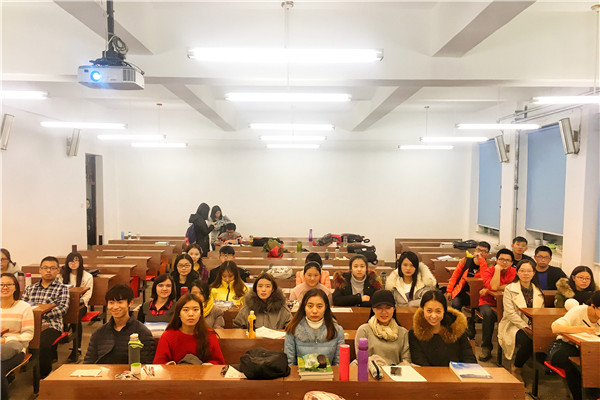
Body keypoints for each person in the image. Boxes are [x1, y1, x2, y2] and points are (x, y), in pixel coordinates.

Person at [21, 256, 69, 379]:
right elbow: (23, 306)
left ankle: (44, 375)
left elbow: (63, 308)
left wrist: (41, 314)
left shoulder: (62, 289)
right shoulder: (30, 288)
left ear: (58, 270)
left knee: (42, 343)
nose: (48, 271)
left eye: (52, 268)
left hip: (52, 325)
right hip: (30, 323)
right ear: (40, 270)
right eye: (45, 268)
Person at [497, 260, 545, 381]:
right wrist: (525, 326)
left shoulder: (538, 290)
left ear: (534, 273)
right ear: (517, 272)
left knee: (544, 338)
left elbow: (541, 311)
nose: (526, 274)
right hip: (513, 324)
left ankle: (541, 365)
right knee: (528, 341)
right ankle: (517, 367)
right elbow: (510, 313)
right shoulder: (510, 289)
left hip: (534, 324)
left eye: (529, 271)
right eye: (522, 271)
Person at [84, 284, 155, 364]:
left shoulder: (143, 333)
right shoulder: (99, 333)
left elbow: (146, 365)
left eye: (120, 302)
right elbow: (88, 364)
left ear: (130, 303)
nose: (115, 307)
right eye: (111, 302)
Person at [549, 290, 600, 400]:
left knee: (593, 365)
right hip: (561, 347)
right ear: (593, 306)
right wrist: (582, 329)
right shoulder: (579, 311)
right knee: (573, 364)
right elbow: (555, 328)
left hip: (588, 351)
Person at [408, 290, 477, 366]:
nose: (433, 316)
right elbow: (420, 362)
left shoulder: (456, 330)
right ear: (422, 310)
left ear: (444, 310)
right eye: (429, 311)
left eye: (438, 311)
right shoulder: (415, 334)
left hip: (456, 372)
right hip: (427, 373)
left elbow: (469, 358)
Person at [153, 293, 225, 365]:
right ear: (179, 313)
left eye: (195, 310)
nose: (191, 314)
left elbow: (220, 363)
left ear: (201, 313)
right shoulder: (168, 336)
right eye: (185, 310)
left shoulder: (209, 335)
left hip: (203, 372)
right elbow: (158, 363)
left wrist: (208, 365)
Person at [284, 288, 345, 366]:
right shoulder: (293, 329)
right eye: (310, 306)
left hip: (329, 373)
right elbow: (290, 363)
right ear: (304, 307)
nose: (314, 311)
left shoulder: (337, 330)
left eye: (319, 306)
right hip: (300, 373)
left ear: (326, 307)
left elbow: (339, 364)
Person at [354, 290, 411, 366]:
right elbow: (361, 359)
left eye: (388, 308)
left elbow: (406, 361)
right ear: (373, 309)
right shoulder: (364, 330)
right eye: (379, 308)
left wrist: (390, 370)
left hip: (395, 372)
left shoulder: (403, 333)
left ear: (394, 309)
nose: (384, 312)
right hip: (370, 371)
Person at [478, 248, 516, 362]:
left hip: (508, 303)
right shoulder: (488, 271)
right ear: (496, 260)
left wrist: (492, 288)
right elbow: (494, 287)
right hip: (488, 302)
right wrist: (498, 270)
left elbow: (513, 286)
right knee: (489, 314)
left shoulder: (514, 272)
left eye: (507, 260)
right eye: (501, 259)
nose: (504, 262)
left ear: (512, 262)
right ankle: (486, 347)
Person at [1, 273, 33, 400]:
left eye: (8, 284)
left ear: (15, 287)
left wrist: (6, 339)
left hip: (16, 348)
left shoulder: (24, 307)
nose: (4, 287)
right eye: (1, 285)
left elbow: (28, 335)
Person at [58, 251, 93, 362]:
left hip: (81, 305)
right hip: (64, 304)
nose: (73, 263)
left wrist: (78, 301)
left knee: (75, 318)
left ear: (80, 262)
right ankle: (53, 349)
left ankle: (77, 348)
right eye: (71, 261)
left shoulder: (87, 276)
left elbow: (88, 295)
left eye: (76, 261)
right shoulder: (62, 275)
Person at [445, 241, 491, 310]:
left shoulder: (489, 265)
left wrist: (481, 261)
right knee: (456, 304)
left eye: (484, 251)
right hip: (462, 291)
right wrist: (449, 290)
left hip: (478, 294)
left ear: (488, 254)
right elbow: (455, 276)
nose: (480, 253)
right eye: (478, 250)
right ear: (475, 251)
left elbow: (485, 279)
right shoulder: (465, 261)